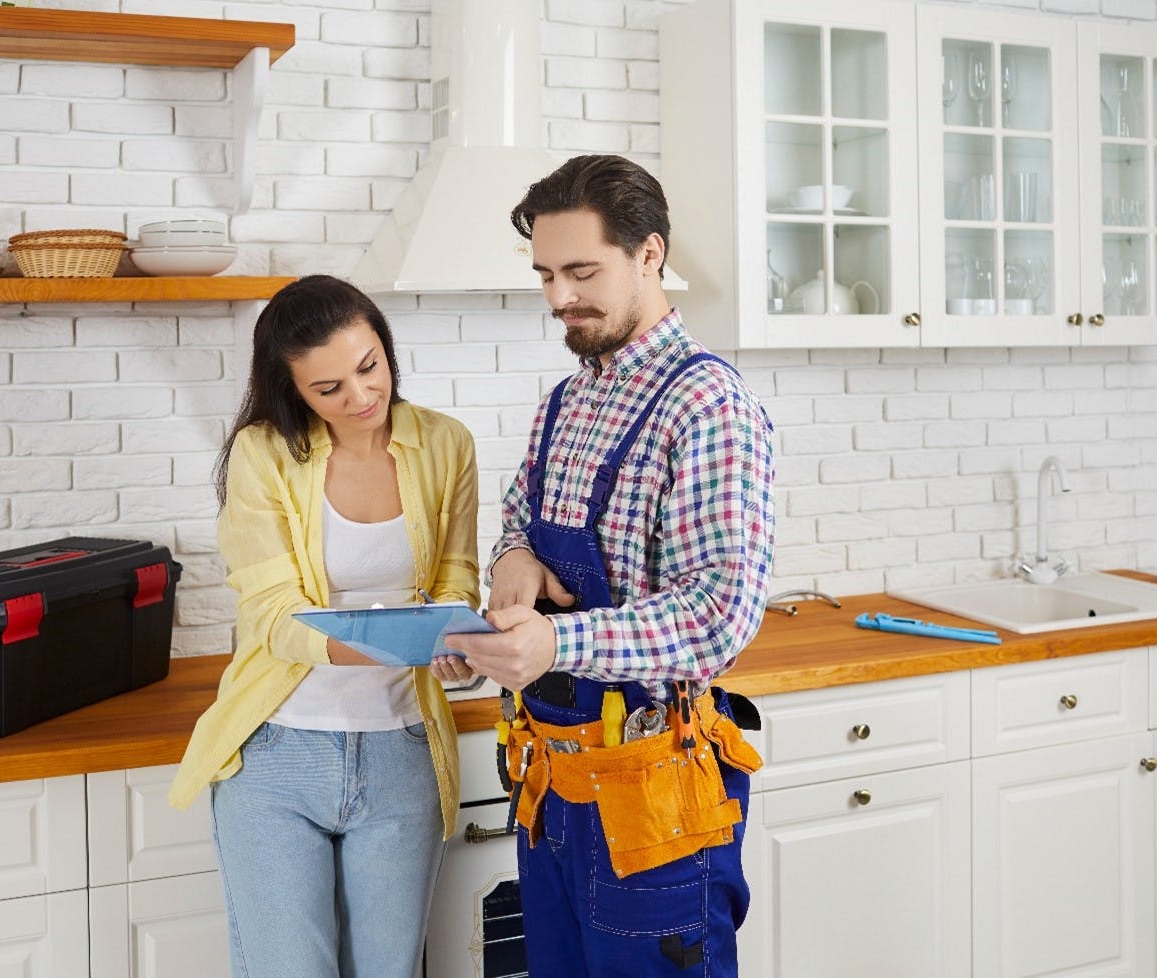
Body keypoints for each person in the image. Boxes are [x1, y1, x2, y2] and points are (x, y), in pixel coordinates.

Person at [438, 155, 776, 977]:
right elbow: (520, 513)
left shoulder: (706, 405)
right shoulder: (568, 399)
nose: (559, 298)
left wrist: (555, 646)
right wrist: (513, 554)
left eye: (582, 271)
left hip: (653, 802)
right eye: (547, 275)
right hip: (552, 795)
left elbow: (719, 616)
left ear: (649, 255)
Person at [169, 275, 480, 978]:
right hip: (279, 755)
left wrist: (456, 645)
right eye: (328, 389)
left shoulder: (445, 444)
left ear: (384, 343)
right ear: (293, 392)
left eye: (369, 367)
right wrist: (402, 644)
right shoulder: (264, 454)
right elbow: (274, 616)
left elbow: (458, 578)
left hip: (404, 754)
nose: (361, 397)